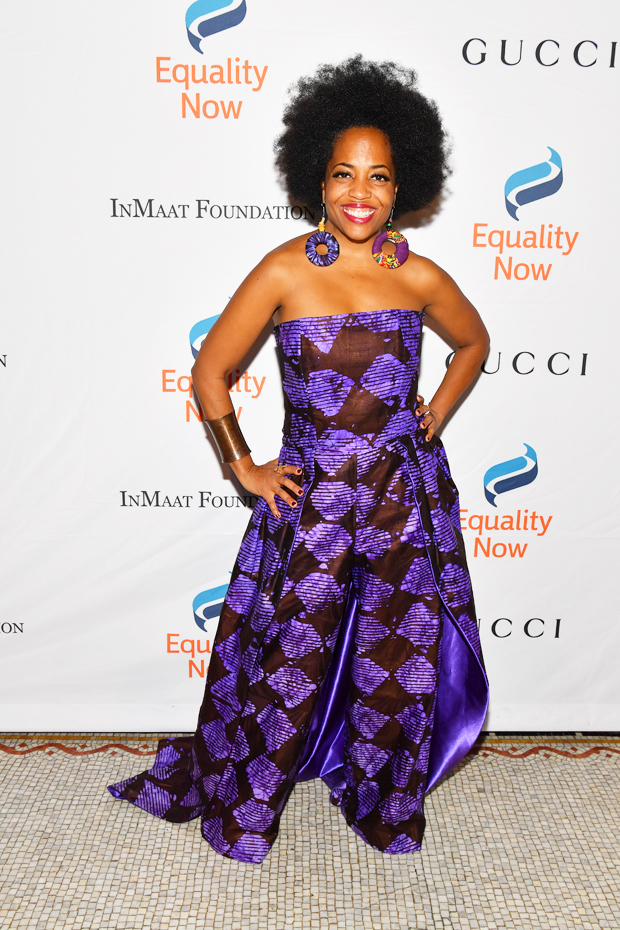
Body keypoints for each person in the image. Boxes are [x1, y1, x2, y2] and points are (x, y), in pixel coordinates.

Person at [108, 56, 489, 864]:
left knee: (398, 658)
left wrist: (435, 411)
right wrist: (242, 465)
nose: (360, 192)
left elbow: (474, 342)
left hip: (401, 496)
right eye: (344, 173)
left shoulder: (419, 274)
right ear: (318, 178)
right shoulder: (284, 269)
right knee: (290, 654)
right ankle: (249, 805)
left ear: (402, 186)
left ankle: (384, 800)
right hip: (312, 501)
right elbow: (211, 371)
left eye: (379, 176)